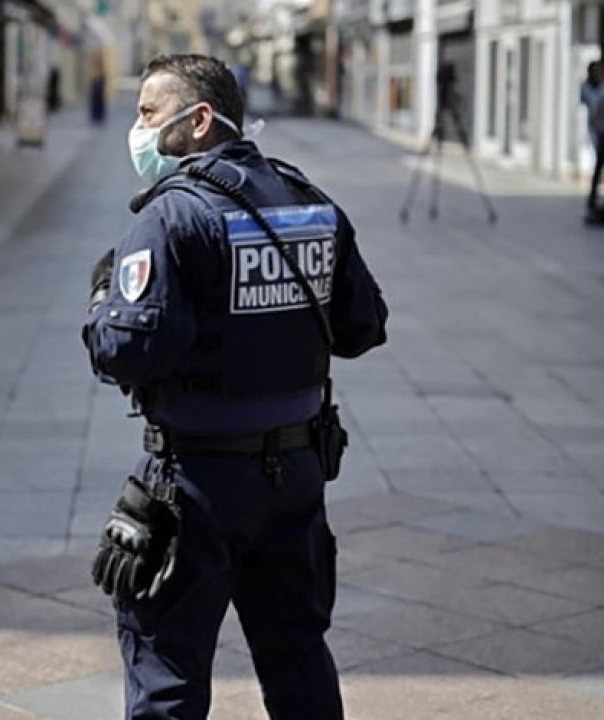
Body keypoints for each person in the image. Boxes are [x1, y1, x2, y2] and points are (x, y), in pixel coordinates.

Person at [82, 54, 388, 719]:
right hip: (297, 475)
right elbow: (362, 326)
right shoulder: (308, 199)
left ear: (198, 120)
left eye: (148, 113)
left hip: (195, 482)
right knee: (298, 655)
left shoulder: (173, 214)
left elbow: (126, 353)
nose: (138, 129)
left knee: (166, 672)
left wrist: (104, 298)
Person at [581, 61, 604, 221]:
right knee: (598, 167)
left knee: (598, 167)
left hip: (600, 132)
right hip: (599, 133)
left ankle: (593, 199)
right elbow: (593, 110)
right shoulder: (589, 88)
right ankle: (592, 199)